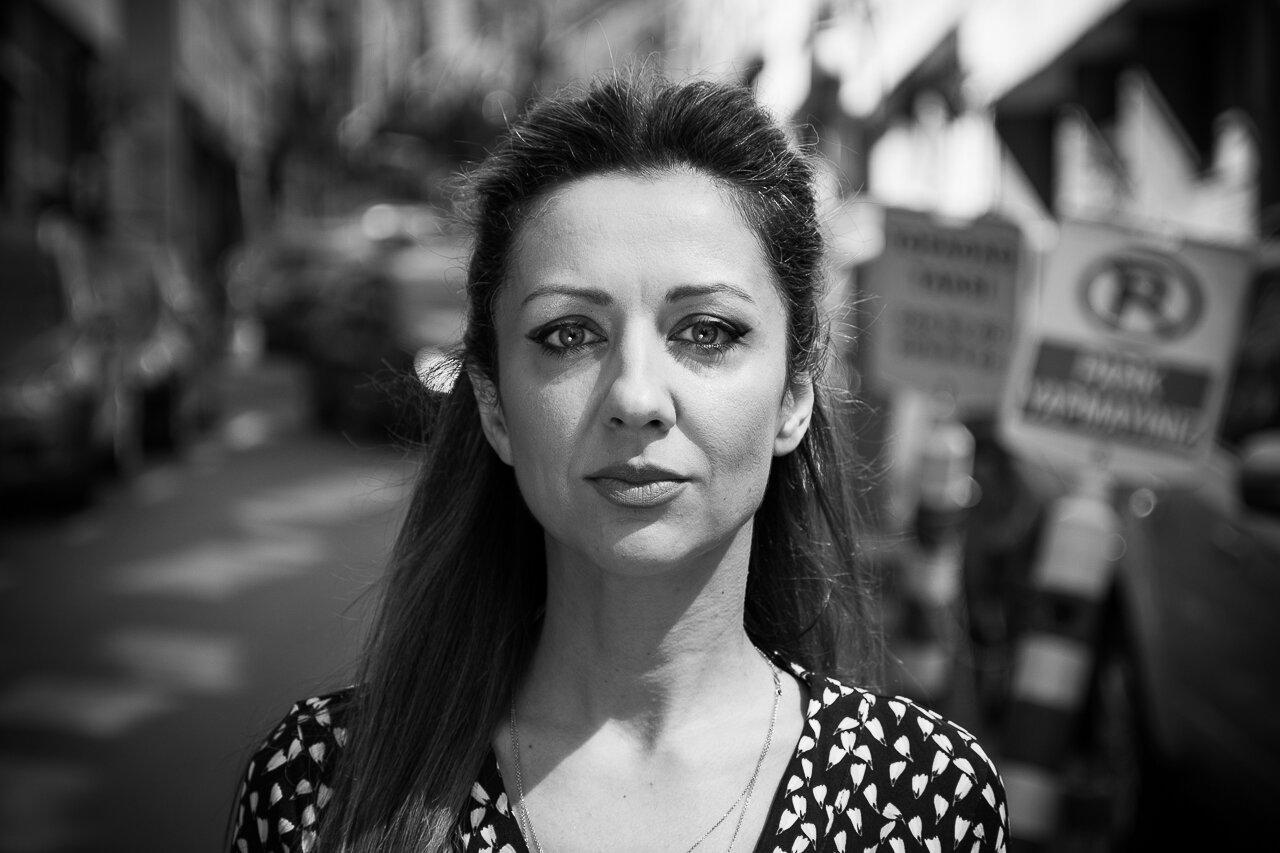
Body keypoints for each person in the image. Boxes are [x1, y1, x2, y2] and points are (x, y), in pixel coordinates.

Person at [228, 72, 1008, 853]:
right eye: (569, 334)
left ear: (795, 395)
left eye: (707, 331)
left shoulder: (926, 798)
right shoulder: (320, 789)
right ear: (494, 407)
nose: (636, 397)